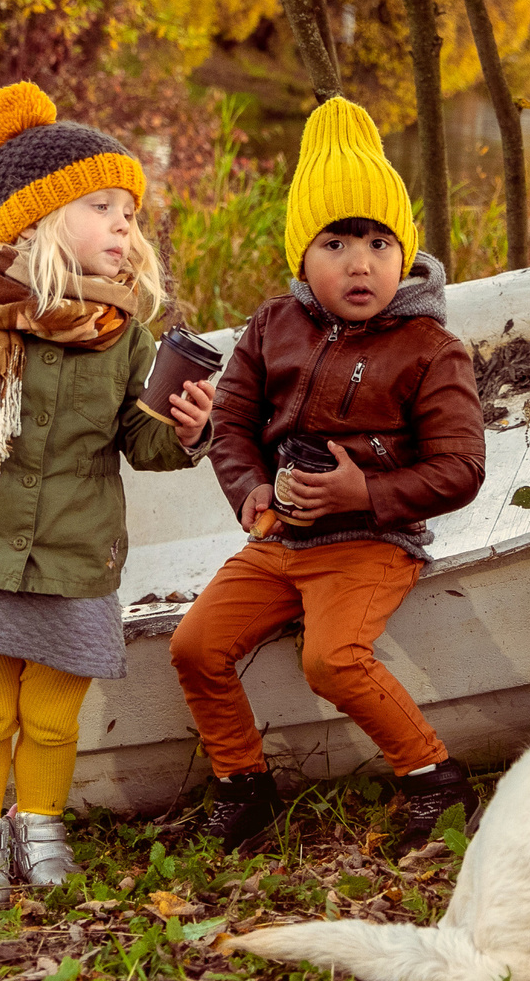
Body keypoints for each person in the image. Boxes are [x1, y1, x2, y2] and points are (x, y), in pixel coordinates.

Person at [0, 82, 215, 902]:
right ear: (37, 219)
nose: (123, 226)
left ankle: (40, 827)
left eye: (129, 213)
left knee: (54, 715)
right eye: (101, 207)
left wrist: (188, 428)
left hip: (77, 557)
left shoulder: (126, 335)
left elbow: (141, 442)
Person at [169, 95, 488, 853]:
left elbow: (462, 467)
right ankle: (243, 785)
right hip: (280, 539)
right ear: (302, 258)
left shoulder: (430, 348)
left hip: (370, 542)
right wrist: (249, 488)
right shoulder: (273, 326)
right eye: (336, 242)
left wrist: (365, 492)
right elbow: (232, 422)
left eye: (380, 242)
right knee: (195, 646)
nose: (360, 262)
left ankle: (434, 778)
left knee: (331, 659)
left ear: (404, 253)